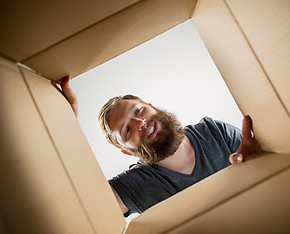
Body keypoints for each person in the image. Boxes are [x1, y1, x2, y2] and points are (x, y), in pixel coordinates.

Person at [60, 76, 262, 217]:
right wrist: (64, 130)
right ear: (127, 151)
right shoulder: (136, 185)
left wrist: (262, 159)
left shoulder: (213, 131)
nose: (140, 123)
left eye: (138, 110)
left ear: (151, 106)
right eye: (127, 131)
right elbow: (87, 207)